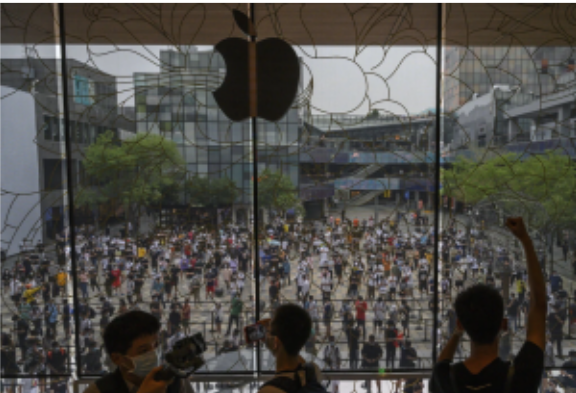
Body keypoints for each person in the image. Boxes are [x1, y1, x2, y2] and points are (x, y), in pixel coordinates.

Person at [430, 217, 546, 393]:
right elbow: (539, 305)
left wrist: (457, 333)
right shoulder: (521, 377)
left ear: (460, 324)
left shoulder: (445, 381)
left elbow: (441, 364)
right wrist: (525, 240)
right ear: (503, 324)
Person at [82, 310, 195, 393]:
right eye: (143, 350)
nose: (154, 354)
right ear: (117, 358)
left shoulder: (176, 382)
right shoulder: (98, 391)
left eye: (156, 345)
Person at [258, 304, 324, 393]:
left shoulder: (269, 390)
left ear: (276, 341)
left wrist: (272, 342)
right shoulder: (313, 372)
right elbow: (295, 347)